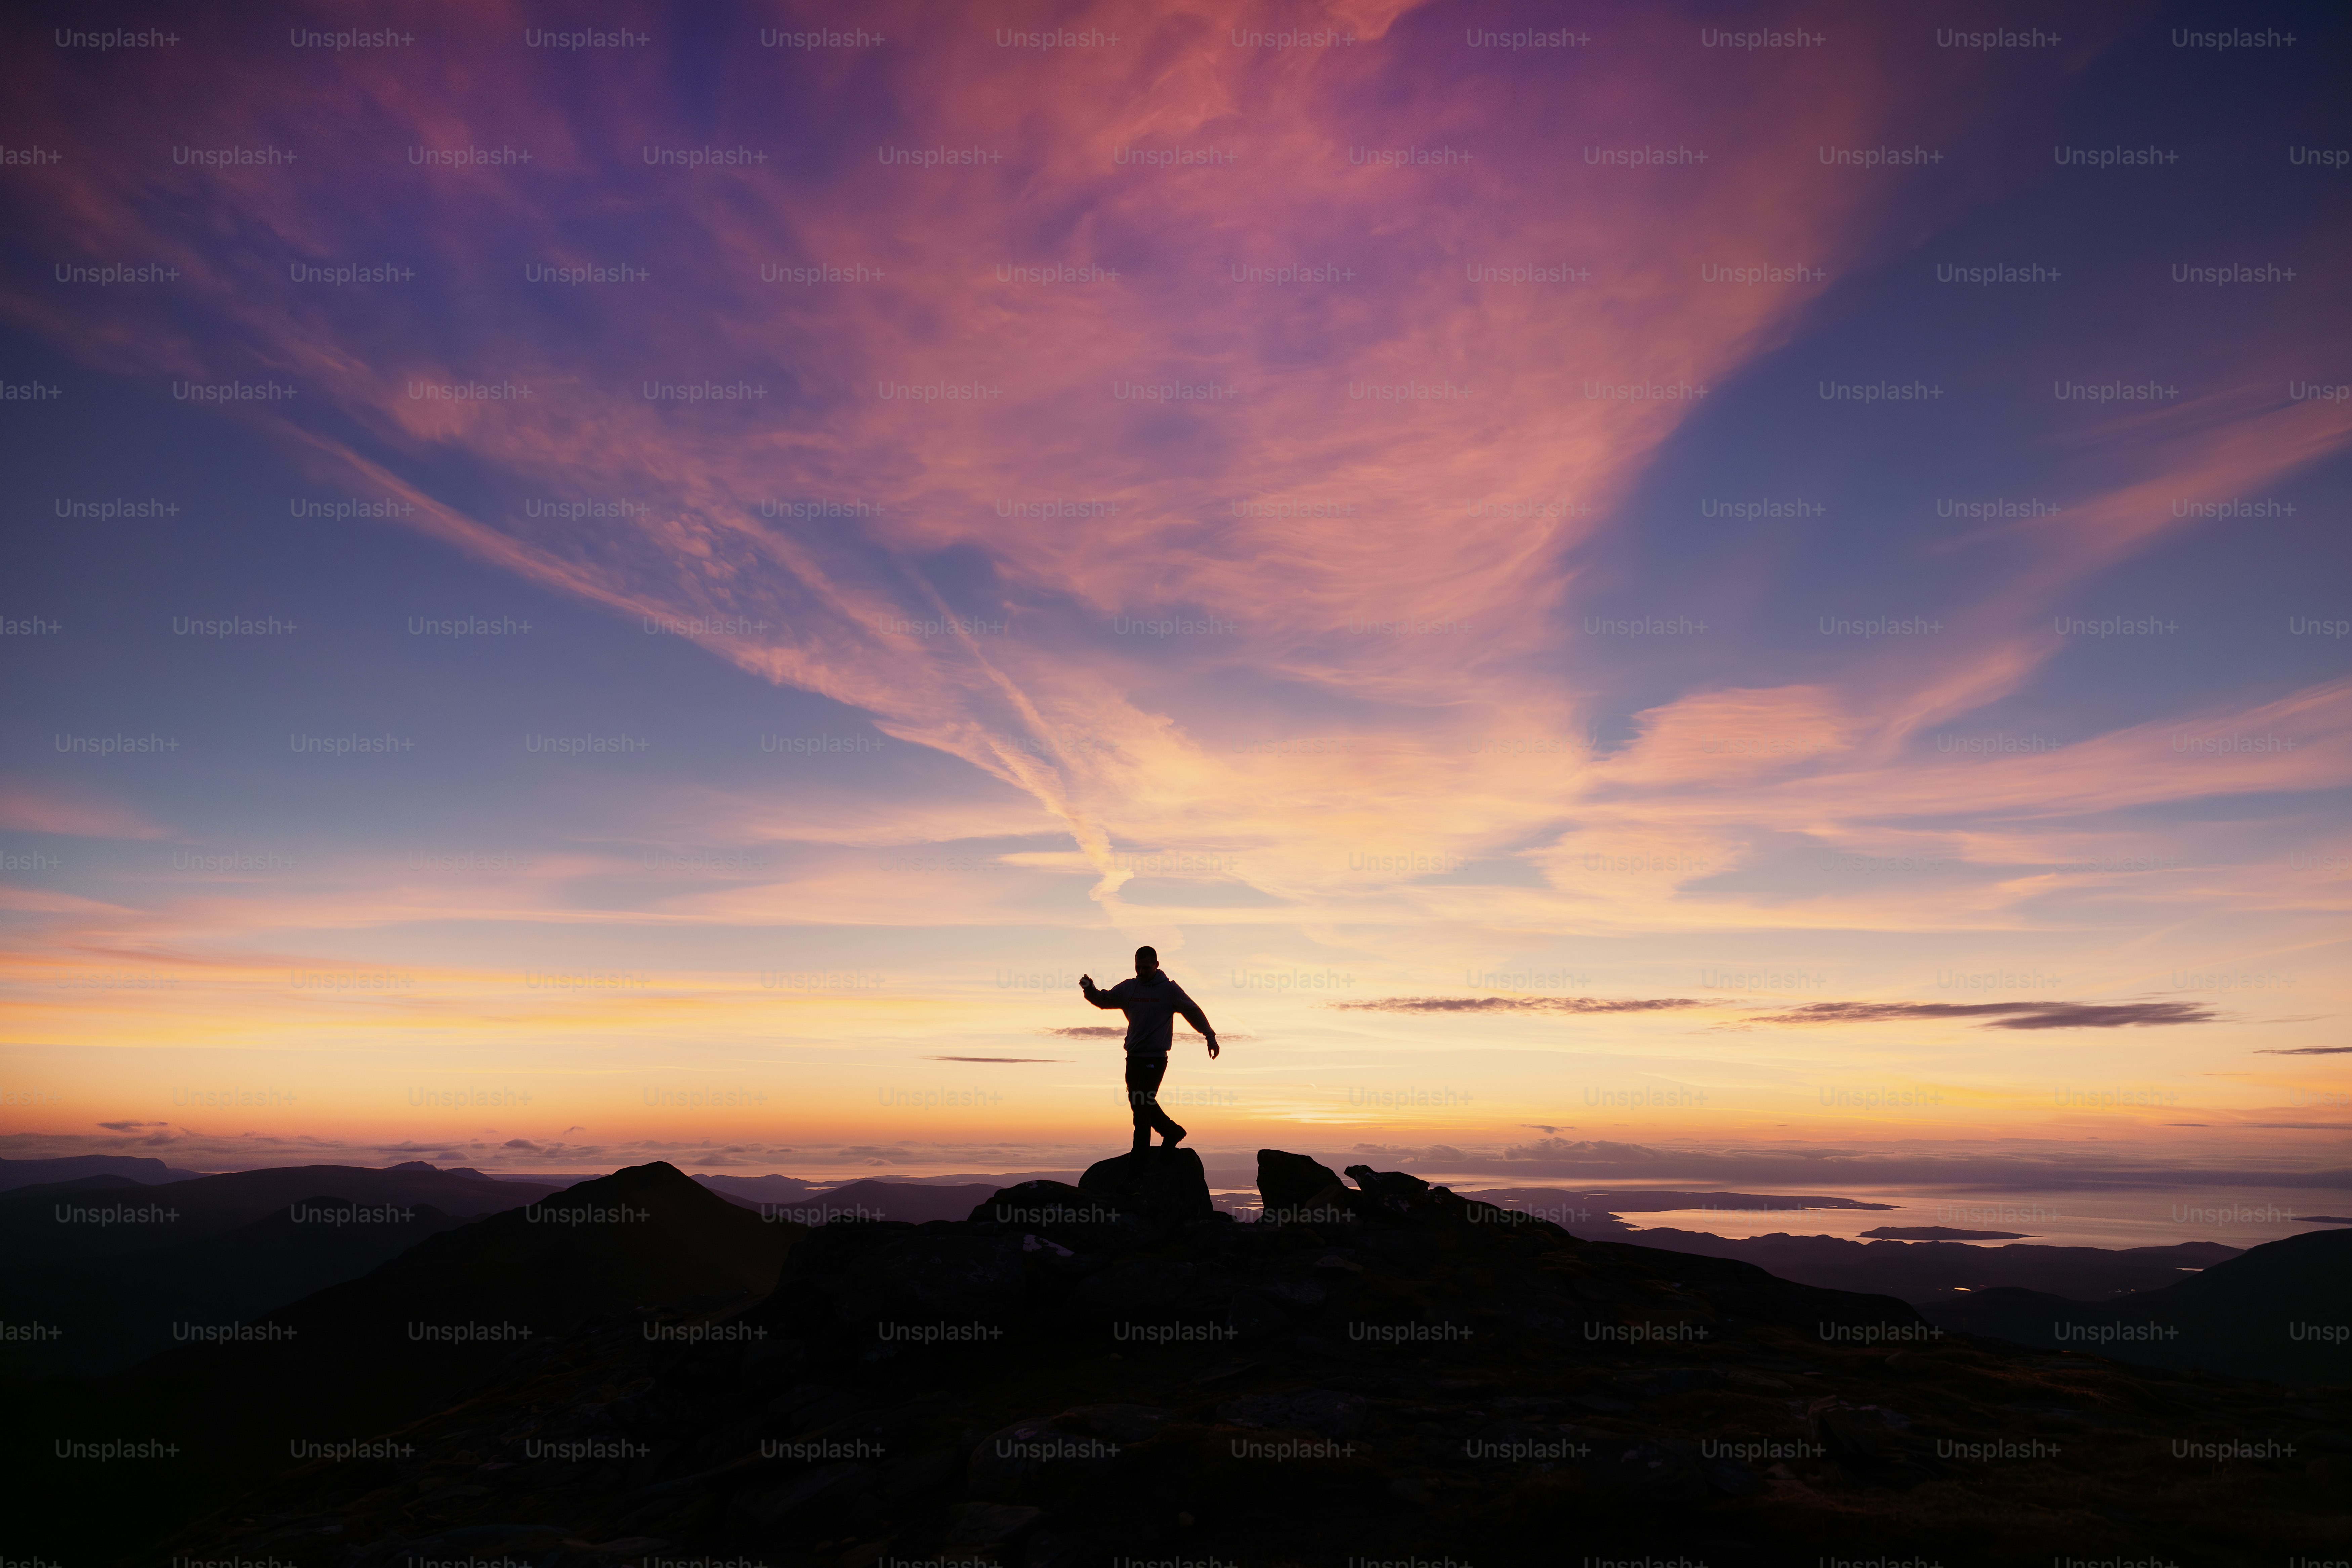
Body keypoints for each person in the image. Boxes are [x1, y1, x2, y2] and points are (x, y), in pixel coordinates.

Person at [1079, 946, 1219, 1156]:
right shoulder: (1129, 988)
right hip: (1133, 1057)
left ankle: (1139, 1159)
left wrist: (1209, 1035)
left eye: (1146, 968)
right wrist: (1089, 989)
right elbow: (1104, 1001)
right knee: (1139, 1102)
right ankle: (1172, 1131)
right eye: (1138, 967)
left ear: (1157, 965)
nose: (1142, 972)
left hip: (1155, 1057)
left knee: (1142, 1106)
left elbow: (1192, 1010)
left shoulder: (1169, 990)